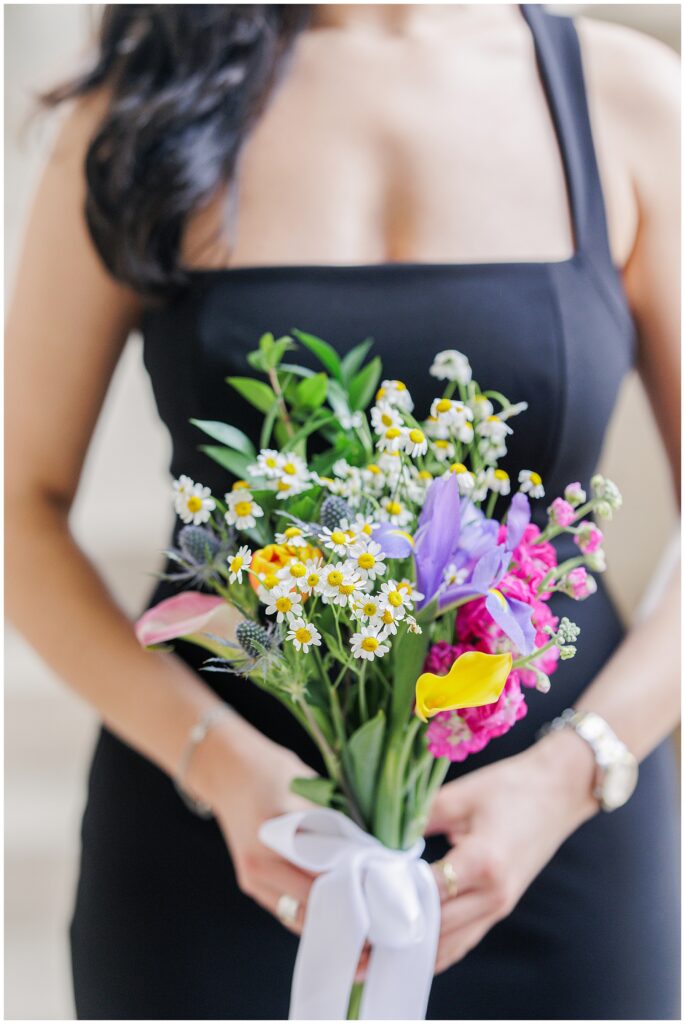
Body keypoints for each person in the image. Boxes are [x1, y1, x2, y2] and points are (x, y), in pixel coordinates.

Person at [6, 4, 680, 1019]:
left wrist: (570, 774)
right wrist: (222, 765)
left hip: (556, 846)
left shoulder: (624, 98)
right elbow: (18, 506)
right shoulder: (140, 107)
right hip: (223, 845)